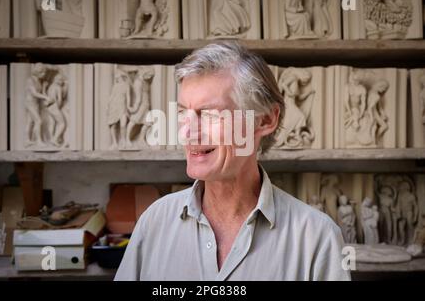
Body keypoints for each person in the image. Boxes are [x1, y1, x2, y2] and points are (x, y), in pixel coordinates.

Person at [115, 42, 350, 281]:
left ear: (264, 120)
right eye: (183, 113)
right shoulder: (155, 222)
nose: (188, 132)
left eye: (209, 114)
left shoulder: (317, 238)